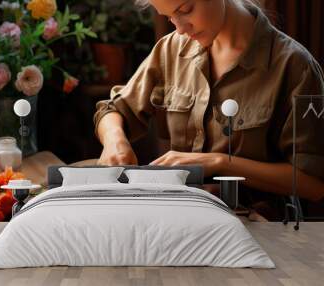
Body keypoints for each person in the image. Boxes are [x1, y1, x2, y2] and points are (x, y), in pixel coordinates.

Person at [93, 0, 324, 215]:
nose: (181, 28)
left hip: (261, 228)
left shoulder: (295, 66)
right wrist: (116, 141)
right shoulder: (172, 48)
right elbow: (114, 109)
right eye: (170, 17)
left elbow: (312, 183)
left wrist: (219, 162)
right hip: (180, 217)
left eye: (185, 10)